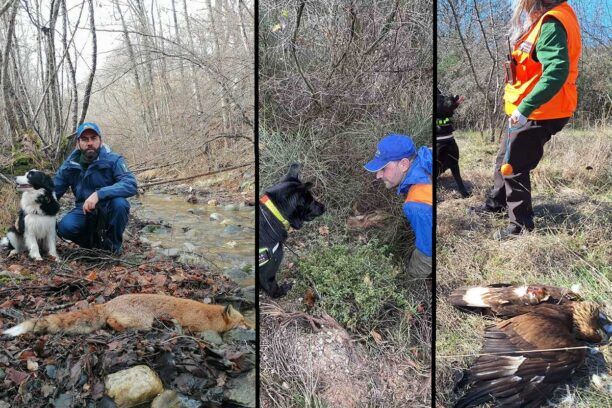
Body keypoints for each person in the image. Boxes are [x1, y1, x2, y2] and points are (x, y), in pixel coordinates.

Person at [471, 0, 581, 239]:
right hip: (528, 110)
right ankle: (496, 204)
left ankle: (520, 227)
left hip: (540, 111)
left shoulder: (552, 22)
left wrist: (526, 107)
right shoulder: (543, 21)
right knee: (504, 157)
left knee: (514, 167)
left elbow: (556, 71)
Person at [54, 122, 138, 254]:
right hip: (83, 209)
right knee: (65, 227)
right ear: (78, 143)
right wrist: (27, 213)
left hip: (108, 207)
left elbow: (130, 184)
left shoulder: (114, 159)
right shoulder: (70, 165)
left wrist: (99, 194)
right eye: (85, 139)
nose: (89, 143)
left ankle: (112, 248)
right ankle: (93, 245)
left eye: (93, 138)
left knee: (120, 204)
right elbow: (53, 192)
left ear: (100, 141)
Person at [364, 133, 432, 278]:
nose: (378, 175)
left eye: (383, 168)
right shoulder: (426, 155)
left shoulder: (416, 204)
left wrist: (412, 278)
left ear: (404, 164)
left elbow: (427, 251)